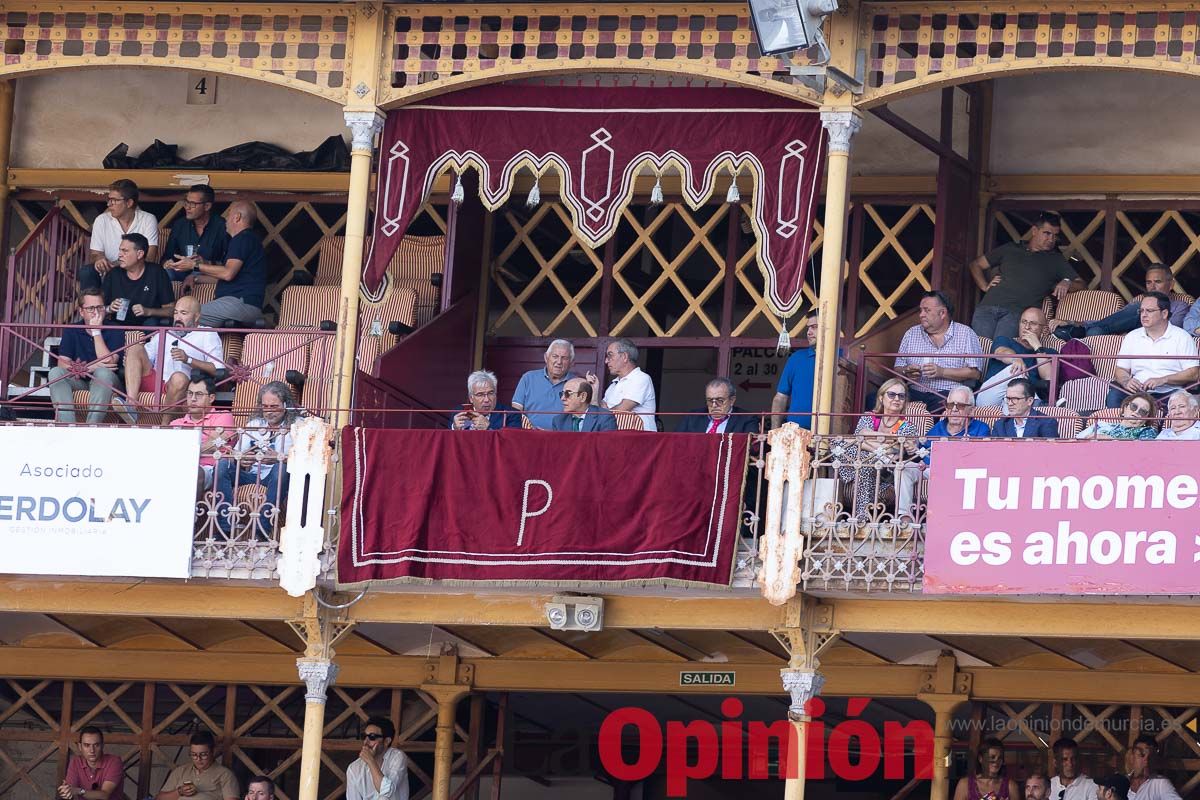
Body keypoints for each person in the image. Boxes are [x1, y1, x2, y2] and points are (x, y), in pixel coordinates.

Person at [969, 212, 1084, 340]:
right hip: (987, 307)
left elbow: (1081, 284)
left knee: (1001, 351)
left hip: (1017, 314)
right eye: (1047, 233)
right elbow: (976, 265)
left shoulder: (1055, 260)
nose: (1051, 239)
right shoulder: (1011, 249)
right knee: (978, 351)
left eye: (1055, 235)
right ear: (1034, 230)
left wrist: (1067, 281)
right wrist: (984, 286)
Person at [214, 381, 296, 537]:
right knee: (223, 464)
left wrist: (281, 458)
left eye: (274, 407)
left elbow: (305, 458)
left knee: (281, 468)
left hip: (276, 476)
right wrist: (240, 459)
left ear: (285, 405)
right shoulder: (254, 424)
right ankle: (224, 528)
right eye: (265, 407)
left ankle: (261, 530)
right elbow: (236, 453)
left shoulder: (297, 426)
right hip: (251, 474)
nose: (269, 412)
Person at [123, 295, 225, 418]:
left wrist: (189, 360)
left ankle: (165, 426)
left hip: (180, 387)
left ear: (196, 317)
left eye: (183, 313)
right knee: (135, 348)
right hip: (155, 380)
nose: (178, 318)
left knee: (179, 378)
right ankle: (131, 407)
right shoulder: (164, 332)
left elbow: (217, 369)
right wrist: (131, 361)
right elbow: (146, 357)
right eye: (176, 313)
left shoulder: (207, 334)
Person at [838, 377, 919, 520]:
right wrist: (886, 440)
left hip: (885, 472)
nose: (896, 399)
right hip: (862, 461)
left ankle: (860, 519)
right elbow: (860, 436)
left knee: (866, 461)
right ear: (881, 397)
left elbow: (893, 451)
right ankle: (862, 518)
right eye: (891, 394)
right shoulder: (869, 417)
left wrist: (866, 441)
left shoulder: (908, 427)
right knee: (837, 443)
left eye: (901, 396)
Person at [894, 290, 983, 412]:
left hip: (948, 394)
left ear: (942, 313)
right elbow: (898, 368)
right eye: (921, 310)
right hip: (914, 392)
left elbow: (975, 373)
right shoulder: (911, 333)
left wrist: (942, 371)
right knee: (874, 399)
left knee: (946, 408)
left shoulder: (966, 333)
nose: (921, 315)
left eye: (927, 310)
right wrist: (906, 371)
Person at [1107, 292, 1198, 408]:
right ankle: (1118, 426)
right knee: (1114, 395)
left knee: (1181, 404)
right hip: (1137, 391)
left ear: (1164, 313)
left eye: (1149, 311)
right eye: (1141, 311)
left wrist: (1163, 380)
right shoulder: (1132, 336)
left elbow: (1193, 373)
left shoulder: (1182, 337)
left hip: (1170, 392)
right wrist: (1126, 381)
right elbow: (1120, 370)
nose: (1143, 315)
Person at [48, 289, 125, 424]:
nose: (96, 312)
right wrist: (89, 367)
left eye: (100, 307)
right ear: (81, 311)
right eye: (91, 308)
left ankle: (90, 427)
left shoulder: (115, 329)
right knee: (55, 372)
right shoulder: (72, 330)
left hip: (110, 382)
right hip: (81, 381)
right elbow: (63, 364)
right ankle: (67, 426)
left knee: (103, 372)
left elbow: (108, 361)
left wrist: (96, 331)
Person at [1054, 265, 1190, 339]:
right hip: (1129, 334)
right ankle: (1085, 328)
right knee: (1095, 331)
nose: (1152, 287)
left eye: (1158, 282)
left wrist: (1133, 330)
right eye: (1149, 282)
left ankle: (1081, 329)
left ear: (1171, 285)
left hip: (1149, 340)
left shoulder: (1180, 305)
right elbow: (1114, 320)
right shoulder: (1139, 302)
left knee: (1139, 307)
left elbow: (1171, 328)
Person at [189, 200, 267, 327]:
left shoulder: (242, 239)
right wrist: (196, 278)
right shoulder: (248, 239)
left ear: (237, 217)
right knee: (194, 321)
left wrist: (194, 265)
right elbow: (229, 277)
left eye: (229, 213)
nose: (225, 218)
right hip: (245, 305)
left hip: (238, 303)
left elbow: (227, 273)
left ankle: (171, 346)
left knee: (186, 315)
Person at [82, 178, 160, 290]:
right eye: (109, 200)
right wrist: (100, 259)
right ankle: (91, 306)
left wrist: (122, 265)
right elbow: (95, 254)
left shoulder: (148, 219)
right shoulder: (101, 220)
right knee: (87, 271)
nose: (109, 204)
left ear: (129, 203)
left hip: (137, 269)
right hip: (108, 269)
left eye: (114, 200)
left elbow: (150, 256)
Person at [977, 306, 1058, 407]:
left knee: (1015, 398)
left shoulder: (1048, 353)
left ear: (1044, 330)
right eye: (1024, 322)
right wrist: (1015, 359)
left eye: (1033, 323)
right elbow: (1001, 352)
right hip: (989, 397)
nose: (1027, 327)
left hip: (1017, 403)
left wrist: (1038, 347)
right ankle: (1038, 405)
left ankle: (1034, 405)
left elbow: (1049, 378)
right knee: (1016, 369)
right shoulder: (1004, 340)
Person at [171, 376, 236, 495]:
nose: (193, 399)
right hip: (177, 468)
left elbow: (213, 445)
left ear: (211, 398)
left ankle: (192, 513)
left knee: (195, 472)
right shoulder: (176, 423)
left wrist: (185, 450)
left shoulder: (223, 416)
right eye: (190, 394)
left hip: (210, 470)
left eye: (199, 394)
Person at [102, 233, 175, 326]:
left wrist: (148, 311)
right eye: (120, 250)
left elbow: (171, 310)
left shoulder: (157, 273)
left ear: (140, 254)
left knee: (151, 323)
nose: (119, 255)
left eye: (125, 251)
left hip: (148, 326)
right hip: (118, 326)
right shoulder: (113, 274)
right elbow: (97, 309)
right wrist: (110, 308)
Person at [586, 338, 656, 431]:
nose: (606, 361)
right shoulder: (613, 385)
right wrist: (594, 391)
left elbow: (622, 410)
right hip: (618, 437)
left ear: (624, 357)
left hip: (640, 438)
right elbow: (600, 412)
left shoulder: (641, 378)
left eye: (610, 356)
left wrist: (605, 412)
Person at [162, 184, 229, 281]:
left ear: (207, 206)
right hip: (181, 273)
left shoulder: (222, 226)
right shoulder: (180, 225)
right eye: (186, 202)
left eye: (193, 204)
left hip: (207, 274)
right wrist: (168, 263)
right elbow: (167, 256)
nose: (187, 207)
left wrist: (205, 262)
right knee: (163, 274)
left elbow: (229, 265)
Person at [511, 339, 577, 430]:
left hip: (563, 438)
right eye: (555, 356)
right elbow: (516, 410)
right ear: (546, 357)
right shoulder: (528, 378)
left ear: (572, 362)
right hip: (529, 436)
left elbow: (585, 415)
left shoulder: (577, 383)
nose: (559, 362)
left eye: (564, 358)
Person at [156, 731, 238, 800]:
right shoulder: (180, 771)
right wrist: (180, 792)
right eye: (194, 754)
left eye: (203, 754)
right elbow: (159, 798)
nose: (198, 759)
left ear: (213, 751)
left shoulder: (225, 775)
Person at [771, 313, 819, 429]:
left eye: (814, 327)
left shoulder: (841, 360)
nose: (808, 332)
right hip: (795, 435)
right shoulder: (797, 358)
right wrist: (775, 433)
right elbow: (780, 397)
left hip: (833, 437)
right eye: (808, 328)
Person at [346, 717, 409, 800]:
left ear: (387, 741)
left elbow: (387, 791)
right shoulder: (354, 768)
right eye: (364, 736)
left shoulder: (397, 757)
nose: (365, 742)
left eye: (372, 737)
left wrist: (370, 761)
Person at [923, 386, 988, 464]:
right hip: (937, 471)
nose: (954, 409)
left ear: (971, 410)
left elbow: (982, 459)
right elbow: (924, 455)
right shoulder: (937, 429)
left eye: (960, 405)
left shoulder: (981, 429)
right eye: (950, 405)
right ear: (946, 408)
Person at [676, 377, 760, 433]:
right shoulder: (693, 417)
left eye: (720, 400)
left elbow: (752, 449)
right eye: (709, 400)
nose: (714, 405)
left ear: (732, 400)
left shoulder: (747, 419)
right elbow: (676, 442)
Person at [59, 727, 123, 800]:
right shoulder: (75, 762)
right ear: (80, 747)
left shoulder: (114, 762)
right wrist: (66, 791)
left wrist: (79, 791)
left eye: (96, 745)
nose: (92, 750)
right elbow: (70, 790)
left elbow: (104, 795)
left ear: (102, 745)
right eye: (87, 745)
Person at [952, 737, 1018, 800]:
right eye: (992, 757)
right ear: (981, 759)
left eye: (1000, 758)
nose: (996, 762)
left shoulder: (1010, 786)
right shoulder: (965, 784)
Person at [450, 370, 520, 430]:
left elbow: (512, 443)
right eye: (480, 394)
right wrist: (454, 427)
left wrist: (489, 428)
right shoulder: (458, 412)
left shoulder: (511, 415)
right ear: (471, 398)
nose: (486, 399)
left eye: (491, 393)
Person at [991, 378, 1059, 438]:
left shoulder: (1047, 423)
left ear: (1030, 401)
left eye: (1015, 399)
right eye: (1008, 399)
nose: (1010, 403)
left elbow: (1050, 451)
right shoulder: (1000, 425)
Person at [1077, 392, 1159, 440]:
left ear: (1146, 419)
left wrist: (1109, 439)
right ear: (1124, 409)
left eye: (1142, 412)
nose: (1137, 412)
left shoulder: (1148, 431)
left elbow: (1143, 452)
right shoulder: (1100, 425)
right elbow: (1076, 441)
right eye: (1134, 406)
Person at [1126, 735, 1181, 800]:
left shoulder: (1160, 783)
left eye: (1151, 757)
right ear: (1132, 758)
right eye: (1141, 755)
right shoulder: (1121, 781)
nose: (1146, 761)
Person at [551, 377, 616, 431]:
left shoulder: (605, 418)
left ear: (583, 397)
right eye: (562, 394)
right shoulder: (558, 421)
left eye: (568, 394)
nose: (562, 398)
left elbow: (607, 446)